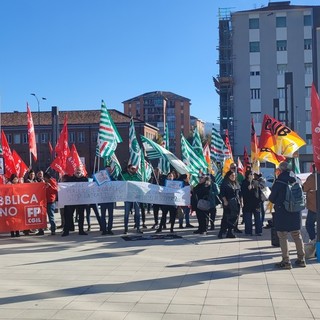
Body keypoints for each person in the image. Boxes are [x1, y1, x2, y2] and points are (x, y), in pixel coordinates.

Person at [269, 161, 306, 269]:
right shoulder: (297, 179)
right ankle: (301, 259)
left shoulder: (279, 181)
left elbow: (271, 198)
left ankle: (286, 261)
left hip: (283, 211)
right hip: (296, 211)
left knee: (283, 236)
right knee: (297, 235)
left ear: (280, 170)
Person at [62, 166, 89, 237]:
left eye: (79, 170)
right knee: (69, 215)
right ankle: (66, 231)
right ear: (74, 171)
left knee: (81, 215)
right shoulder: (70, 179)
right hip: (72, 201)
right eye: (77, 170)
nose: (78, 171)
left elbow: (87, 189)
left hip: (81, 200)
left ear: (81, 171)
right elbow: (64, 187)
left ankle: (81, 230)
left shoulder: (84, 179)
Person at [218, 170, 242, 239]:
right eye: (232, 176)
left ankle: (230, 231)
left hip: (236, 202)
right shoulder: (225, 183)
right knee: (226, 217)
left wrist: (241, 201)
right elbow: (222, 193)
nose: (233, 177)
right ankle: (222, 232)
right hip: (228, 202)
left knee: (235, 217)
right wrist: (225, 201)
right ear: (229, 176)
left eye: (234, 176)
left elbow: (239, 193)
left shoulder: (236, 183)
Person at [122, 164, 142, 234]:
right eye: (132, 169)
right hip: (127, 197)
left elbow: (141, 182)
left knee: (137, 213)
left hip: (136, 197)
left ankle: (138, 228)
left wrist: (136, 173)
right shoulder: (124, 176)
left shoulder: (137, 176)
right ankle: (126, 228)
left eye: (134, 168)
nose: (133, 170)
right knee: (126, 213)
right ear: (128, 169)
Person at [241, 170, 262, 236]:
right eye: (251, 174)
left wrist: (260, 200)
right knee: (248, 219)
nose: (253, 175)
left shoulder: (256, 182)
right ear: (248, 175)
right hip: (247, 203)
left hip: (256, 203)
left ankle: (258, 231)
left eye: (253, 174)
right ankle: (248, 231)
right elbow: (242, 193)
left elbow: (259, 192)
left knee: (258, 218)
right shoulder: (244, 183)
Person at [100, 166, 116, 235]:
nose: (108, 171)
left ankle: (109, 229)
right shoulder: (100, 178)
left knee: (110, 215)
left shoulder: (112, 178)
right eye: (107, 170)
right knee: (103, 215)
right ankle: (104, 229)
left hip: (110, 199)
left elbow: (117, 185)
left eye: (110, 170)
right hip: (103, 199)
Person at [303, 166, 317, 242]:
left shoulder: (312, 177)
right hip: (314, 206)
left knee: (309, 224)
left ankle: (313, 240)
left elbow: (304, 188)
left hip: (314, 207)